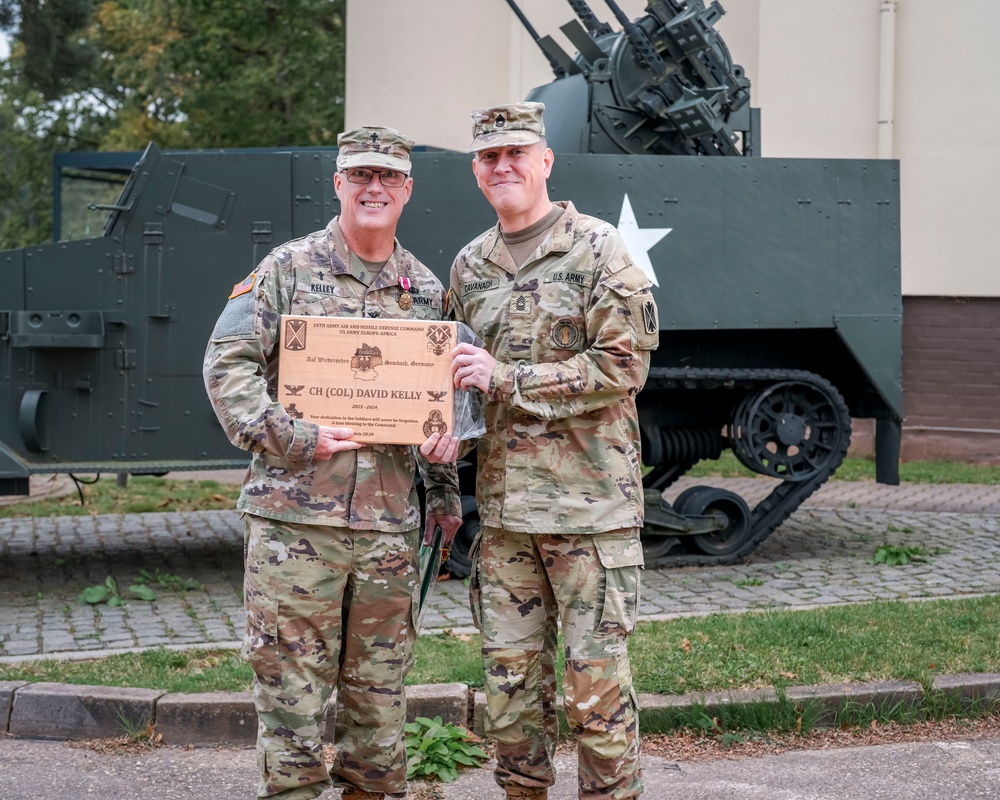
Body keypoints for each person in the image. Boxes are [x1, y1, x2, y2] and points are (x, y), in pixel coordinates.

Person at [203, 125, 462, 800]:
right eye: (360, 176)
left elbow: (442, 405)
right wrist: (294, 436)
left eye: (389, 178)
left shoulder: (426, 292)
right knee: (290, 702)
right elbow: (225, 366)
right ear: (339, 183)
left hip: (385, 537)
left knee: (378, 710)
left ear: (408, 190)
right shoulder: (287, 270)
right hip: (296, 531)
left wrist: (444, 485)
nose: (374, 188)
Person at [445, 102, 659, 799]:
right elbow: (453, 384)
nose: (502, 166)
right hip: (505, 523)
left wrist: (508, 379)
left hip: (590, 516)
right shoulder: (470, 266)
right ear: (477, 171)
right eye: (488, 157)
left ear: (545, 161)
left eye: (516, 153)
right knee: (509, 704)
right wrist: (441, 438)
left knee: (595, 701)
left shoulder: (600, 249)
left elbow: (621, 368)